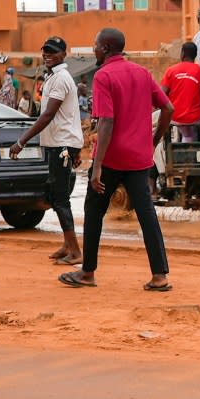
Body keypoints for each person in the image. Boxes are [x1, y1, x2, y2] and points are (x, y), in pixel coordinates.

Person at [58, 28, 174, 291]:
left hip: (111, 157)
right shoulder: (142, 73)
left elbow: (107, 121)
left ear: (106, 48)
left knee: (94, 212)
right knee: (146, 214)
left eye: (96, 45)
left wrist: (96, 166)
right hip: (138, 158)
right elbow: (168, 108)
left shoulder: (104, 76)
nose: (94, 49)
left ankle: (87, 273)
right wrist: (153, 141)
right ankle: (160, 275)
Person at [10, 36, 84, 266]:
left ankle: (75, 251)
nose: (47, 55)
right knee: (54, 194)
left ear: (63, 54)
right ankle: (67, 244)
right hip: (60, 144)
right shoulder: (54, 76)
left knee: (60, 198)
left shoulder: (60, 78)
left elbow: (48, 114)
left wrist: (21, 141)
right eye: (45, 51)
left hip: (62, 144)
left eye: (53, 51)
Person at [161, 42, 200, 142]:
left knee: (187, 134)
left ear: (182, 54)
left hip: (175, 116)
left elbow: (162, 94)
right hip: (195, 117)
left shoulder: (171, 70)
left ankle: (185, 141)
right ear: (195, 55)